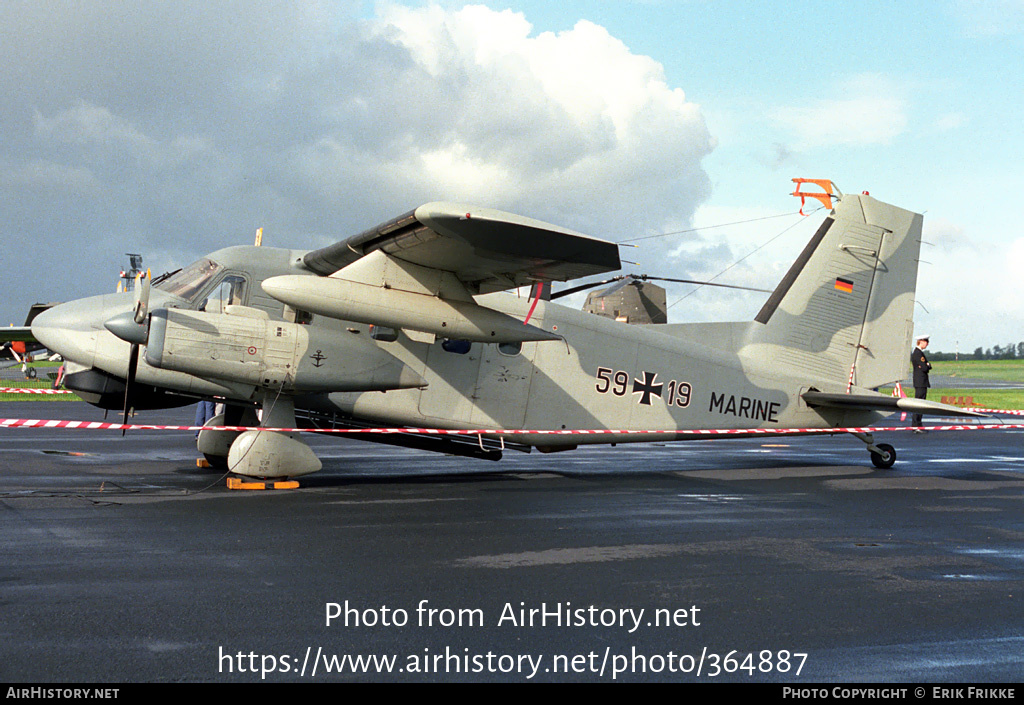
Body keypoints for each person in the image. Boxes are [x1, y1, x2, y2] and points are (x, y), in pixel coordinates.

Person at [910, 334, 932, 432]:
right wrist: (927, 365)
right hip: (920, 381)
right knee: (919, 403)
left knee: (920, 403)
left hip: (921, 381)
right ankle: (916, 425)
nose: (927, 344)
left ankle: (918, 424)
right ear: (921, 341)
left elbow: (926, 366)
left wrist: (927, 365)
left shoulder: (919, 353)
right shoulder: (918, 353)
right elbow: (925, 367)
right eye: (926, 342)